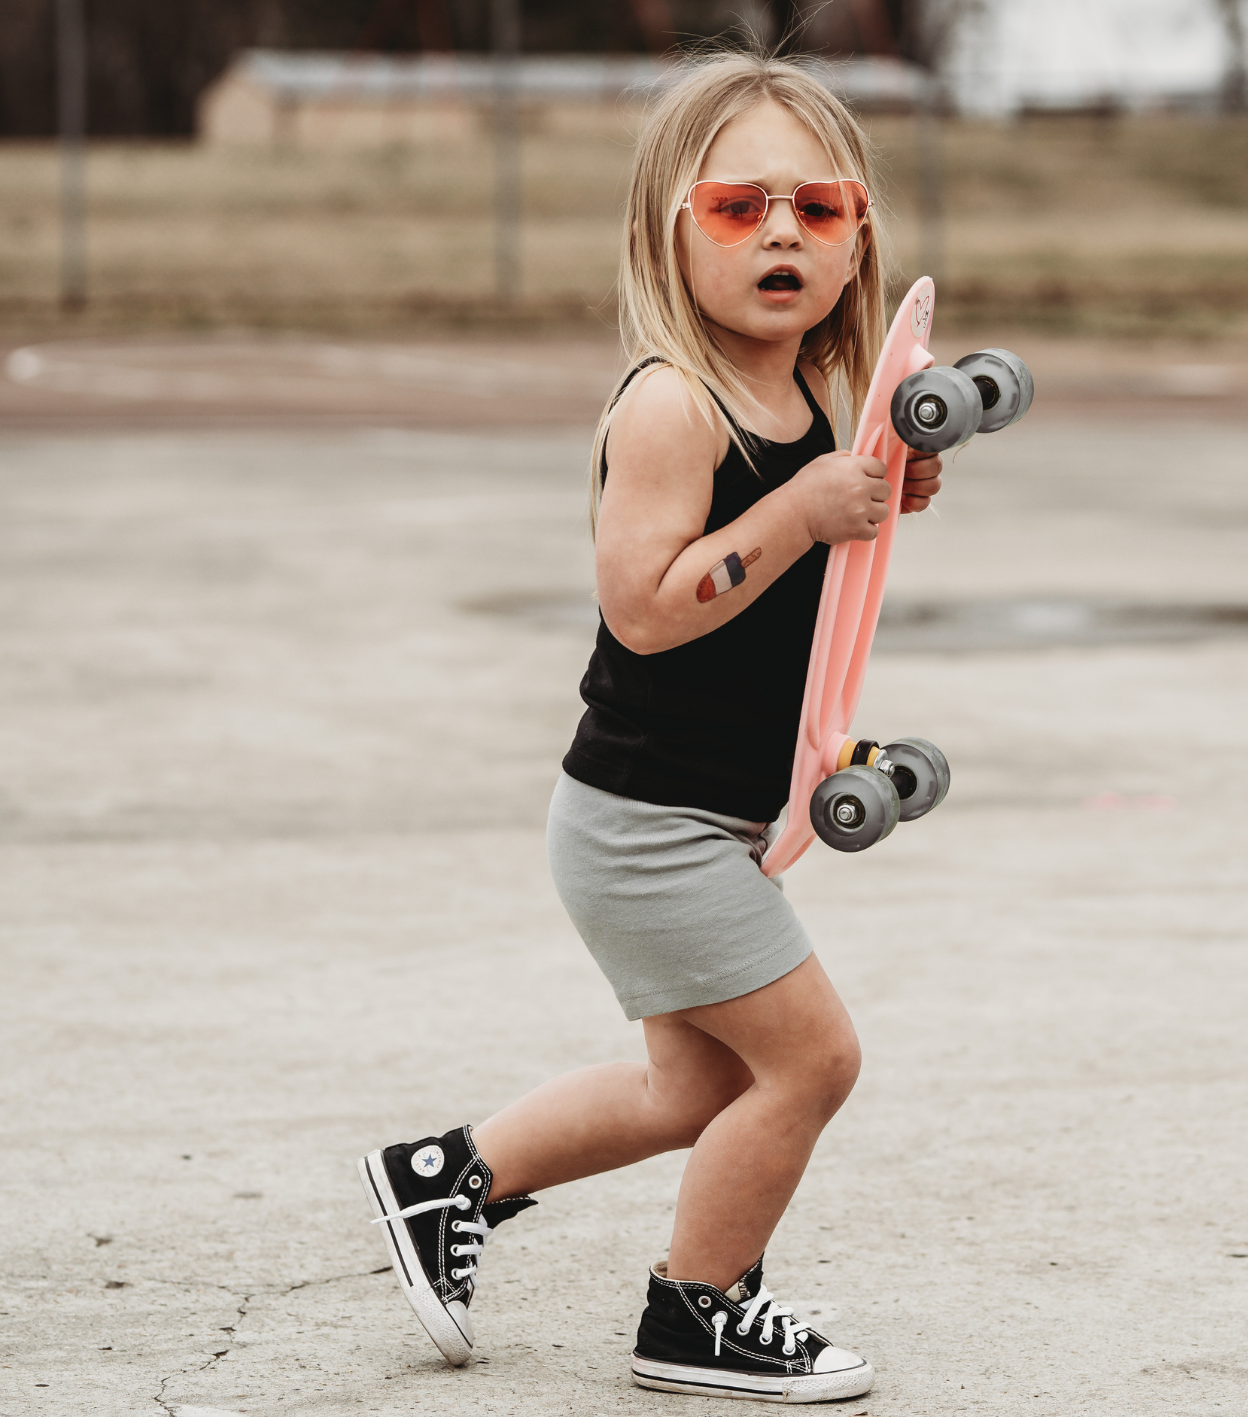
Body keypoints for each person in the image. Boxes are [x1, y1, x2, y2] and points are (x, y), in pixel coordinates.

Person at [357, 49, 943, 1404]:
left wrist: (877, 490)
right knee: (813, 1062)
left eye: (818, 206)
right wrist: (798, 513)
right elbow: (644, 612)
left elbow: (816, 572)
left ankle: (443, 1178)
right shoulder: (675, 403)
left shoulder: (814, 402)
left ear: (858, 238)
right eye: (738, 206)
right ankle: (697, 1311)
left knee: (692, 1092)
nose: (783, 233)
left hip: (707, 815)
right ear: (669, 234)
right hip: (646, 826)